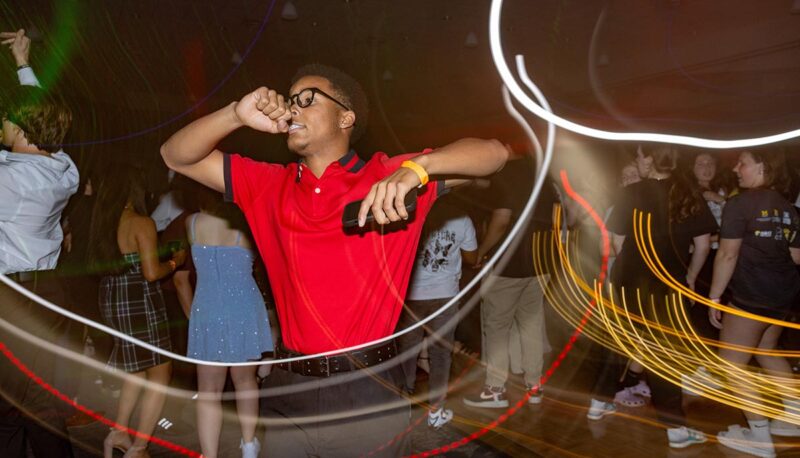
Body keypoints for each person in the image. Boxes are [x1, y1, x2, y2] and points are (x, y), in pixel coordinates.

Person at [161, 63, 507, 456]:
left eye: (307, 100)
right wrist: (236, 113)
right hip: (289, 388)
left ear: (346, 117)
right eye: (290, 101)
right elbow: (176, 156)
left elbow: (495, 153)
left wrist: (418, 169)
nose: (293, 109)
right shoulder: (267, 184)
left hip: (369, 391)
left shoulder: (388, 175)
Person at [586, 144, 717, 449]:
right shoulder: (688, 193)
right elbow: (702, 246)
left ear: (650, 160)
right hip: (666, 287)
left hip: (627, 283)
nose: (637, 161)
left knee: (617, 345)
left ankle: (597, 404)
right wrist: (690, 278)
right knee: (663, 355)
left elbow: (616, 244)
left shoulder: (631, 193)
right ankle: (675, 429)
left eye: (640, 156)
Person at [0, 29, 79, 458]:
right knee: (41, 405)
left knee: (11, 410)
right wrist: (22, 64)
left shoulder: (11, 180)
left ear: (21, 126)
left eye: (7, 120)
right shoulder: (65, 170)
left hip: (11, 297)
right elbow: (44, 123)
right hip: (47, 294)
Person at [708, 148, 800, 457]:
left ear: (762, 166)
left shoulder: (739, 204)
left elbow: (727, 254)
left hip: (754, 296)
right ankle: (794, 418)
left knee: (732, 366)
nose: (736, 168)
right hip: (784, 294)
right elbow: (797, 257)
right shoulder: (788, 208)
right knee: (766, 350)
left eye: (743, 162)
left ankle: (760, 439)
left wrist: (714, 297)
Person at [89, 169, 186, 458]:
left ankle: (118, 432)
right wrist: (174, 262)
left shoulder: (104, 224)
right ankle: (140, 447)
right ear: (134, 192)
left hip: (113, 298)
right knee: (161, 371)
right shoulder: (141, 223)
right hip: (139, 301)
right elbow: (152, 273)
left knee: (137, 368)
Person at [463, 153, 557, 408]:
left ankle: (494, 390)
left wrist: (481, 252)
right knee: (531, 324)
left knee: (496, 328)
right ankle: (534, 385)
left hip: (509, 265)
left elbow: (502, 221)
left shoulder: (508, 173)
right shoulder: (543, 175)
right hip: (540, 263)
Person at [185, 188, 273, 458]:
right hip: (243, 308)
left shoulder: (192, 223)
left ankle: (209, 455)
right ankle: (249, 447)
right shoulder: (246, 227)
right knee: (246, 382)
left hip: (208, 309)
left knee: (208, 389)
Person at [396, 196, 477, 428]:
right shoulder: (461, 217)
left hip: (412, 295)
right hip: (445, 295)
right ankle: (436, 412)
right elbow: (471, 256)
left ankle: (404, 408)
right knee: (441, 354)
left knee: (407, 353)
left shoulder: (412, 211)